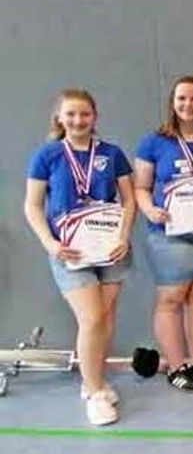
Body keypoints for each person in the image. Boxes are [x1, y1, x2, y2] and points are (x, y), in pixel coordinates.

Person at [23, 89, 135, 425]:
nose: (78, 120)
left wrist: (124, 237)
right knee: (91, 318)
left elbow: (129, 201)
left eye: (85, 114)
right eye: (71, 114)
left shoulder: (112, 154)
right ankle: (95, 393)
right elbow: (32, 205)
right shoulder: (47, 155)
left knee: (107, 317)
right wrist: (49, 243)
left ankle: (94, 380)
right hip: (69, 250)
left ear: (94, 117)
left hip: (110, 249)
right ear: (59, 118)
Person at [134, 76, 193, 393]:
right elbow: (141, 187)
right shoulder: (153, 143)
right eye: (182, 98)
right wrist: (150, 209)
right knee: (171, 299)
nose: (188, 105)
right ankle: (176, 367)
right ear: (172, 103)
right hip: (170, 233)